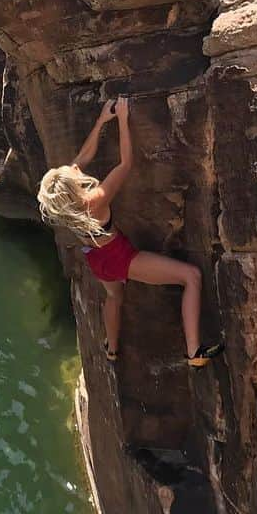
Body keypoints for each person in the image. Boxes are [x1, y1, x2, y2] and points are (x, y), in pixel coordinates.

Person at [36, 96, 222, 368]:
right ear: (72, 186)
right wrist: (122, 120)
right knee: (191, 277)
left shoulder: (67, 208)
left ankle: (111, 349)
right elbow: (125, 164)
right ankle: (195, 352)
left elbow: (82, 159)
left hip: (97, 260)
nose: (73, 167)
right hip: (122, 258)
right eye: (68, 172)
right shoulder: (95, 198)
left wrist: (101, 121)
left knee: (114, 296)